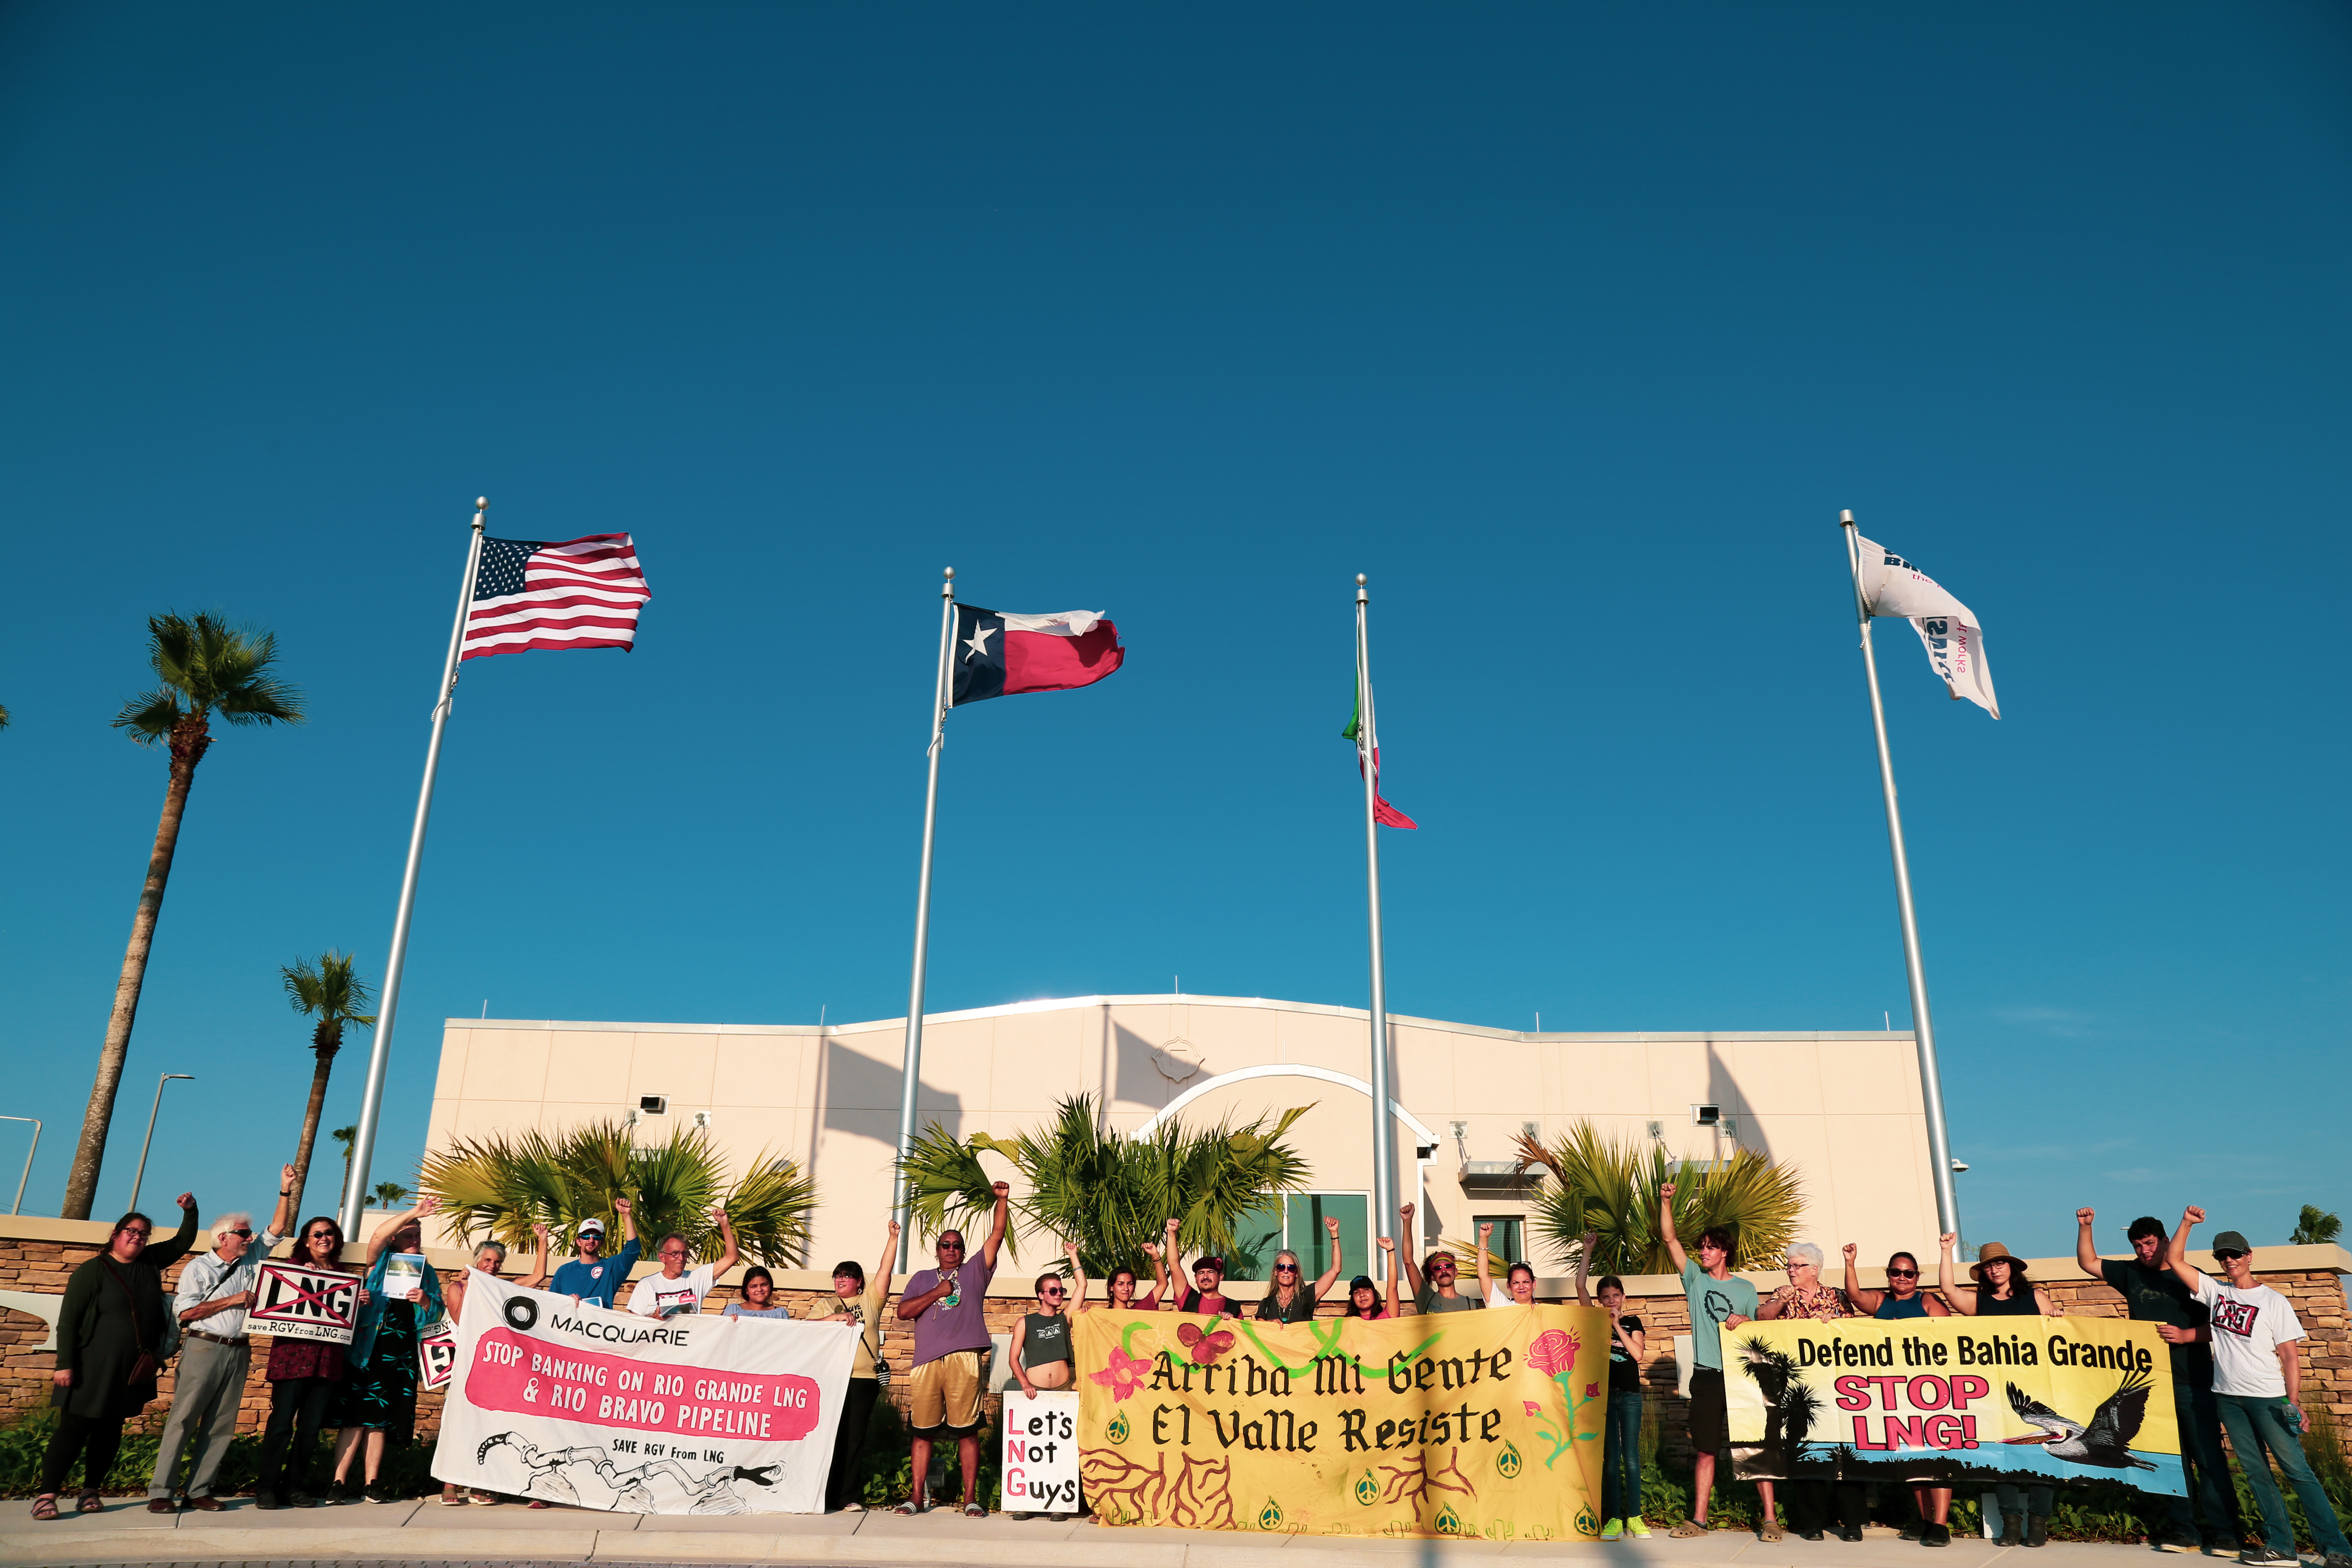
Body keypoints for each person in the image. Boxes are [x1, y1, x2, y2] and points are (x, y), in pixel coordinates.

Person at [2166, 1207, 2352, 1568]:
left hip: (2268, 1399)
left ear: (2249, 1257)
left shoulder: (2273, 1301)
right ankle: (2280, 1546)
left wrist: (2293, 1403)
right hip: (2228, 1398)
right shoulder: (2216, 1292)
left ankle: (2338, 1549)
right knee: (2256, 1474)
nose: (2229, 1260)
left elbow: (2290, 1356)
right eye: (2222, 1256)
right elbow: (2175, 1258)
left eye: (2235, 1254)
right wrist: (2188, 1223)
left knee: (2298, 1471)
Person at [31, 1194, 200, 1521]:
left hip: (130, 1369)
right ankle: (47, 1495)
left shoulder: (150, 1262)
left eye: (143, 1233)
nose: (137, 1237)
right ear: (116, 1234)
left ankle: (90, 1491)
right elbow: (69, 1320)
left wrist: (191, 1212)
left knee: (110, 1431)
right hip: (89, 1365)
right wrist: (64, 1364)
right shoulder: (93, 1271)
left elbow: (183, 1241)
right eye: (131, 1231)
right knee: (73, 1429)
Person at [2076, 1208, 2234, 1555]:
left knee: (2209, 1458)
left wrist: (2188, 1335)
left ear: (2165, 1241)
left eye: (2149, 1244)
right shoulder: (2131, 1273)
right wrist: (2086, 1227)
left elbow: (2224, 1326)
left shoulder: (2193, 1278)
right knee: (2170, 1459)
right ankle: (2185, 1532)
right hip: (2154, 1389)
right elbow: (2089, 1262)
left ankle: (2226, 1533)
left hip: (2194, 1382)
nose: (2144, 1252)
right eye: (2138, 1246)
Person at [147, 1169, 298, 1512]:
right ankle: (161, 1491)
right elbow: (184, 1313)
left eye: (248, 1233)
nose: (249, 1238)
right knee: (184, 1419)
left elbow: (277, 1230)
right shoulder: (199, 1268)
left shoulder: (252, 1259)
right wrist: (231, 1300)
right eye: (243, 1233)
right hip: (204, 1347)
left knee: (221, 1425)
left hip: (239, 1350)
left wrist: (285, 1191)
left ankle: (199, 1489)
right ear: (224, 1237)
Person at [1936, 1235, 2062, 1546]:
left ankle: (2038, 1525)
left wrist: (2059, 1319)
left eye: (2000, 1263)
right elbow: (1949, 1290)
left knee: (2044, 1455)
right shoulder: (1980, 1302)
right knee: (2003, 1458)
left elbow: (2060, 1335)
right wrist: (1945, 1251)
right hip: (1996, 1392)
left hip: (2039, 1390)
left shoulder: (2036, 1297)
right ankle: (2011, 1523)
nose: (1995, 1269)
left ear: (2011, 1267)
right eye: (1989, 1265)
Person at [1657, 1183, 1767, 1540]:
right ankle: (1699, 1521)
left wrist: (1749, 1320)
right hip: (1705, 1376)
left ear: (1725, 1253)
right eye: (1702, 1247)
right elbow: (1670, 1239)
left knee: (1753, 1446)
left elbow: (1760, 1333)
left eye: (1710, 1247)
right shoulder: (1694, 1279)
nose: (1703, 1252)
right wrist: (1666, 1201)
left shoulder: (1746, 1290)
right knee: (1705, 1449)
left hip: (1741, 1377)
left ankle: (1769, 1519)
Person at [895, 1183, 1010, 1517]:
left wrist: (1001, 1201)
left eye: (957, 1245)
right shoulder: (921, 1278)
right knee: (923, 1432)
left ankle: (971, 1498)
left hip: (964, 1358)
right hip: (927, 1361)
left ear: (962, 1250)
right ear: (937, 1250)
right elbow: (904, 1312)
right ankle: (916, 1498)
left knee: (967, 1432)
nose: (951, 1249)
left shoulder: (975, 1271)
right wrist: (936, 1291)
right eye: (945, 1245)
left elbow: (997, 1234)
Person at [329, 1197, 448, 1503]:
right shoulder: (381, 1262)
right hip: (368, 1349)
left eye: (418, 1236)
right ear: (397, 1239)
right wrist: (415, 1213)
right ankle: (338, 1482)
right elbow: (378, 1237)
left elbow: (436, 1313)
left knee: (379, 1419)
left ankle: (372, 1483)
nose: (415, 1240)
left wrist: (424, 1300)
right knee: (354, 1416)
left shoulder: (428, 1272)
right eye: (409, 1235)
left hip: (401, 1353)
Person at [1755, 1241, 1866, 1543]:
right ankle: (1813, 1522)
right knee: (1807, 1452)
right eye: (1789, 1265)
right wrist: (1782, 1303)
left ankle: (1853, 1522)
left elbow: (1854, 1335)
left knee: (1845, 1452)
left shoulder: (1836, 1296)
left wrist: (1836, 1324)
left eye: (1797, 1266)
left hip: (1836, 1387)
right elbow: (1763, 1317)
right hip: (1798, 1390)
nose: (1791, 1270)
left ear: (1814, 1270)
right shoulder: (1782, 1293)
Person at [1841, 1243, 1951, 1546]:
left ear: (1917, 1276)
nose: (1902, 1277)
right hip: (1894, 1392)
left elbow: (1950, 1335)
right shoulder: (1880, 1300)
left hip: (1929, 1390)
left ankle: (1941, 1524)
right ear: (1889, 1275)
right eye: (1896, 1272)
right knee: (1912, 1456)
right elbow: (1854, 1296)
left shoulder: (1927, 1300)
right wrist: (1850, 1262)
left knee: (1936, 1455)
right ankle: (1925, 1519)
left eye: (1909, 1273)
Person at [252, 1212, 364, 1509]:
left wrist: (358, 1302)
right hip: (291, 1359)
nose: (324, 1238)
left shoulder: (344, 1275)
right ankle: (266, 1487)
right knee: (280, 1426)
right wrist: (304, 1278)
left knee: (310, 1429)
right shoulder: (292, 1270)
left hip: (327, 1363)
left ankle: (294, 1487)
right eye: (317, 1234)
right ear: (306, 1240)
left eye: (329, 1233)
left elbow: (346, 1323)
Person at [805, 1219, 896, 1513]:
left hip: (862, 1379)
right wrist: (834, 1319)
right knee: (830, 1437)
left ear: (859, 1281)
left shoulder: (870, 1300)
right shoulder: (826, 1304)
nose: (840, 1280)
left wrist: (893, 1238)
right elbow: (805, 1328)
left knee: (854, 1438)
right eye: (837, 1276)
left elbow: (885, 1271)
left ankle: (848, 1497)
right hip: (832, 1379)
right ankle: (825, 1496)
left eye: (847, 1276)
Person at [1576, 1230, 1651, 1542]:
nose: (1610, 1301)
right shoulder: (1593, 1319)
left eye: (1615, 1297)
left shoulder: (1632, 1322)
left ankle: (1635, 1518)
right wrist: (1588, 1250)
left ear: (1623, 1297)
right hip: (1604, 1397)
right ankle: (1613, 1519)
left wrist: (1617, 1324)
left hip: (1631, 1397)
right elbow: (1580, 1285)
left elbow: (1636, 1354)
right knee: (1610, 1458)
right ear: (1600, 1300)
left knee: (1631, 1458)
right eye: (1605, 1298)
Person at [435, 1236, 521, 1506]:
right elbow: (462, 1319)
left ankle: (478, 1485)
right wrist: (472, 1282)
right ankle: (450, 1484)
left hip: (493, 1367)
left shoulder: (502, 1290)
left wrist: (542, 1240)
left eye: (498, 1262)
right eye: (487, 1260)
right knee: (457, 1423)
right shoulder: (457, 1287)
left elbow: (538, 1277)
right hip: (463, 1366)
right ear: (477, 1261)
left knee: (487, 1424)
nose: (492, 1266)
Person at [625, 1207, 738, 1319]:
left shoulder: (697, 1278)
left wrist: (724, 1224)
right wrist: (655, 1317)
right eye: (675, 1254)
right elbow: (635, 1322)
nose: (681, 1258)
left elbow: (732, 1257)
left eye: (684, 1253)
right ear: (662, 1257)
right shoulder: (647, 1284)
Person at [550, 1198, 641, 1309]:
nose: (591, 1240)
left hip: (600, 1325)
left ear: (602, 1242)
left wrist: (626, 1215)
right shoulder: (564, 1271)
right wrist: (568, 1302)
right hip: (570, 1325)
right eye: (586, 1236)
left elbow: (633, 1250)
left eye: (597, 1237)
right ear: (578, 1241)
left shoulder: (612, 1267)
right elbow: (552, 1304)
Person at [1396, 1202, 1483, 1314]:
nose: (1443, 1271)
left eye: (1448, 1266)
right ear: (1433, 1276)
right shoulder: (1427, 1298)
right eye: (1438, 1268)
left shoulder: (1470, 1304)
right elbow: (1408, 1262)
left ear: (1456, 1272)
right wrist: (1407, 1222)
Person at [1257, 1214, 1343, 1323]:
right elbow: (1258, 1331)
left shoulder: (1307, 1296)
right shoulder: (1266, 1303)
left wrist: (1334, 1233)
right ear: (1275, 1272)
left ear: (1297, 1273)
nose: (1286, 1271)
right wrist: (1270, 1324)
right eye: (1281, 1267)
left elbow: (1336, 1270)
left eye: (1291, 1268)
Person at [1341, 1236, 1402, 1319]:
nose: (1362, 1295)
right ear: (1353, 1300)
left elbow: (1393, 1287)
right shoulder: (1348, 1324)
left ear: (1374, 1293)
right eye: (1357, 1292)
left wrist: (1390, 1251)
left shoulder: (1386, 1316)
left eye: (1366, 1290)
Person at [725, 1266, 790, 1319]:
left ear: (770, 1286)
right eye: (754, 1286)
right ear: (746, 1290)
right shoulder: (734, 1310)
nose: (759, 1290)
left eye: (764, 1285)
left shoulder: (780, 1314)